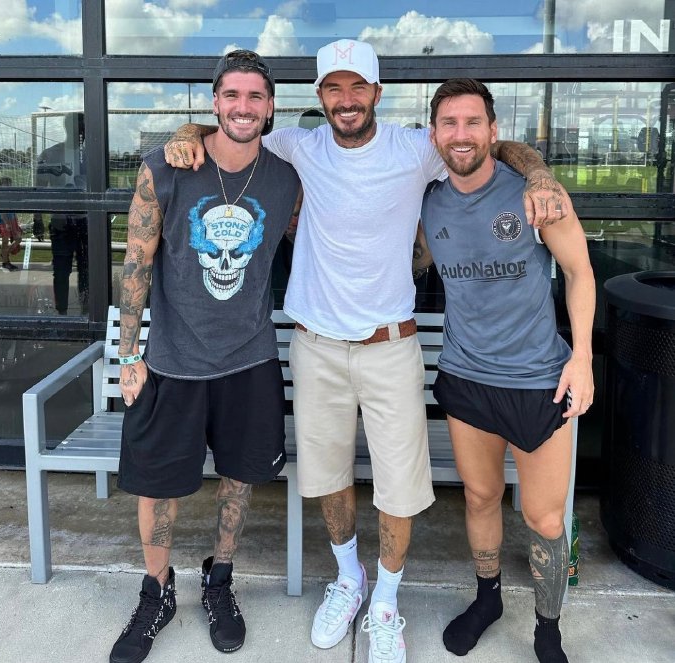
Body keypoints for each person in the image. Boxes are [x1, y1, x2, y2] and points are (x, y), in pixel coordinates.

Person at [164, 39, 575, 663]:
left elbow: (493, 145)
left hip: (391, 346)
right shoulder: (298, 146)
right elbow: (235, 128)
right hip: (316, 345)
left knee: (398, 487)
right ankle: (348, 579)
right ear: (320, 96)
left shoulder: (416, 148)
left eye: (358, 87)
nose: (346, 99)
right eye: (334, 88)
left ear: (377, 93)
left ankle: (385, 599)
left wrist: (538, 172)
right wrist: (188, 130)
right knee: (328, 477)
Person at [109, 50, 299, 663]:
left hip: (250, 359)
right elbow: (136, 263)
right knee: (156, 487)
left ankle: (219, 579)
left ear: (271, 107)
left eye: (255, 96)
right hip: (172, 360)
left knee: (239, 481)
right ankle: (157, 590)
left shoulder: (287, 178)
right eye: (232, 95)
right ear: (215, 102)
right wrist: (129, 354)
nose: (243, 107)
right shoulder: (165, 168)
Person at [418, 79, 595, 663]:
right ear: (434, 134)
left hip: (539, 381)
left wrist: (582, 357)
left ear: (493, 130)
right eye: (449, 123)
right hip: (466, 377)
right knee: (480, 497)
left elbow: (581, 272)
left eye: (473, 122)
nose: (461, 134)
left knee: (544, 517)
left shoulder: (535, 195)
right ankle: (487, 599)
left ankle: (547, 629)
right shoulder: (430, 202)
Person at [34, 112, 89, 315]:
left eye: (84, 127)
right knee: (61, 271)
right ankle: (62, 313)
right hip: (60, 222)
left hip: (86, 221)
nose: (82, 131)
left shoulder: (91, 155)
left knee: (87, 271)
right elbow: (39, 189)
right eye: (79, 127)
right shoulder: (50, 154)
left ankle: (87, 312)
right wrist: (37, 219)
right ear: (69, 128)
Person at [0, 177, 23, 272]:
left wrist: (16, 221)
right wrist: (7, 223)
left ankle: (4, 255)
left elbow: (13, 209)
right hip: (4, 222)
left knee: (18, 239)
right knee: (5, 241)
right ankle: (5, 262)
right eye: (5, 183)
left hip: (12, 220)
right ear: (1, 185)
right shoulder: (0, 196)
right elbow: (2, 211)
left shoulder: (10, 195)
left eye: (9, 183)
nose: (7, 185)